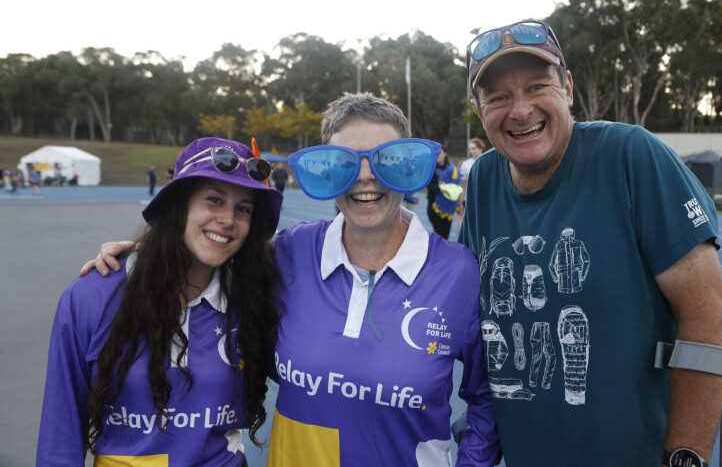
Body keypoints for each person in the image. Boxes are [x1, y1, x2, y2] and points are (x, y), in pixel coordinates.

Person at [82, 93, 499, 466]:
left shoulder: (460, 273)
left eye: (384, 159)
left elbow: (488, 401)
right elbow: (208, 251)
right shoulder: (286, 253)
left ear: (407, 165)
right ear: (327, 173)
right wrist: (140, 253)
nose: (365, 177)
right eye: (344, 163)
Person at [459, 20, 722, 465]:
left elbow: (709, 318)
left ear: (567, 88)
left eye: (536, 87)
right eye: (498, 97)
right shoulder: (484, 180)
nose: (521, 110)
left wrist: (685, 457)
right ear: (479, 110)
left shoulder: (631, 155)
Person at [38, 137, 283, 466]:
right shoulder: (92, 296)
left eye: (243, 209)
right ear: (179, 205)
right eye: (214, 199)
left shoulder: (253, 300)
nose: (228, 219)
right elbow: (60, 432)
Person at [426, 145, 462, 240]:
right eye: (436, 153)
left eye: (440, 152)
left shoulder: (452, 169)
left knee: (446, 235)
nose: (438, 155)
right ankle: (435, 253)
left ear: (445, 154)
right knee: (439, 234)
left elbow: (457, 184)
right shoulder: (431, 168)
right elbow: (428, 185)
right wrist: (441, 190)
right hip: (434, 206)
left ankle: (442, 253)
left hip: (449, 206)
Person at [457, 138, 487, 222]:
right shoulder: (466, 164)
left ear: (481, 148)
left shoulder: (489, 161)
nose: (471, 151)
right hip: (469, 200)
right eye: (470, 149)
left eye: (473, 148)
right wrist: (460, 201)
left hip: (486, 200)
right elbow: (463, 184)